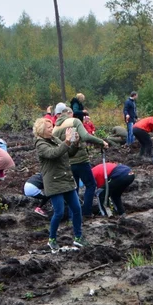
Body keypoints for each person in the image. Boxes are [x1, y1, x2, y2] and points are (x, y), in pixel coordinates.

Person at [35, 116, 84, 251]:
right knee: (59, 212)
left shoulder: (54, 140)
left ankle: (78, 237)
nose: (52, 129)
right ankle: (52, 239)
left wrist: (75, 143)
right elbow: (53, 154)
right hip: (54, 182)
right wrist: (67, 142)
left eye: (51, 126)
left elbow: (68, 153)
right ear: (41, 130)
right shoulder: (40, 144)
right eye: (49, 127)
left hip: (66, 180)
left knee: (77, 208)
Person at [53, 103, 109, 215]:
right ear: (70, 113)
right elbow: (85, 136)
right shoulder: (74, 122)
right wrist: (101, 142)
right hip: (81, 160)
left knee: (74, 189)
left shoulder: (55, 128)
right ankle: (86, 212)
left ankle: (73, 215)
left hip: (66, 163)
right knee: (91, 184)